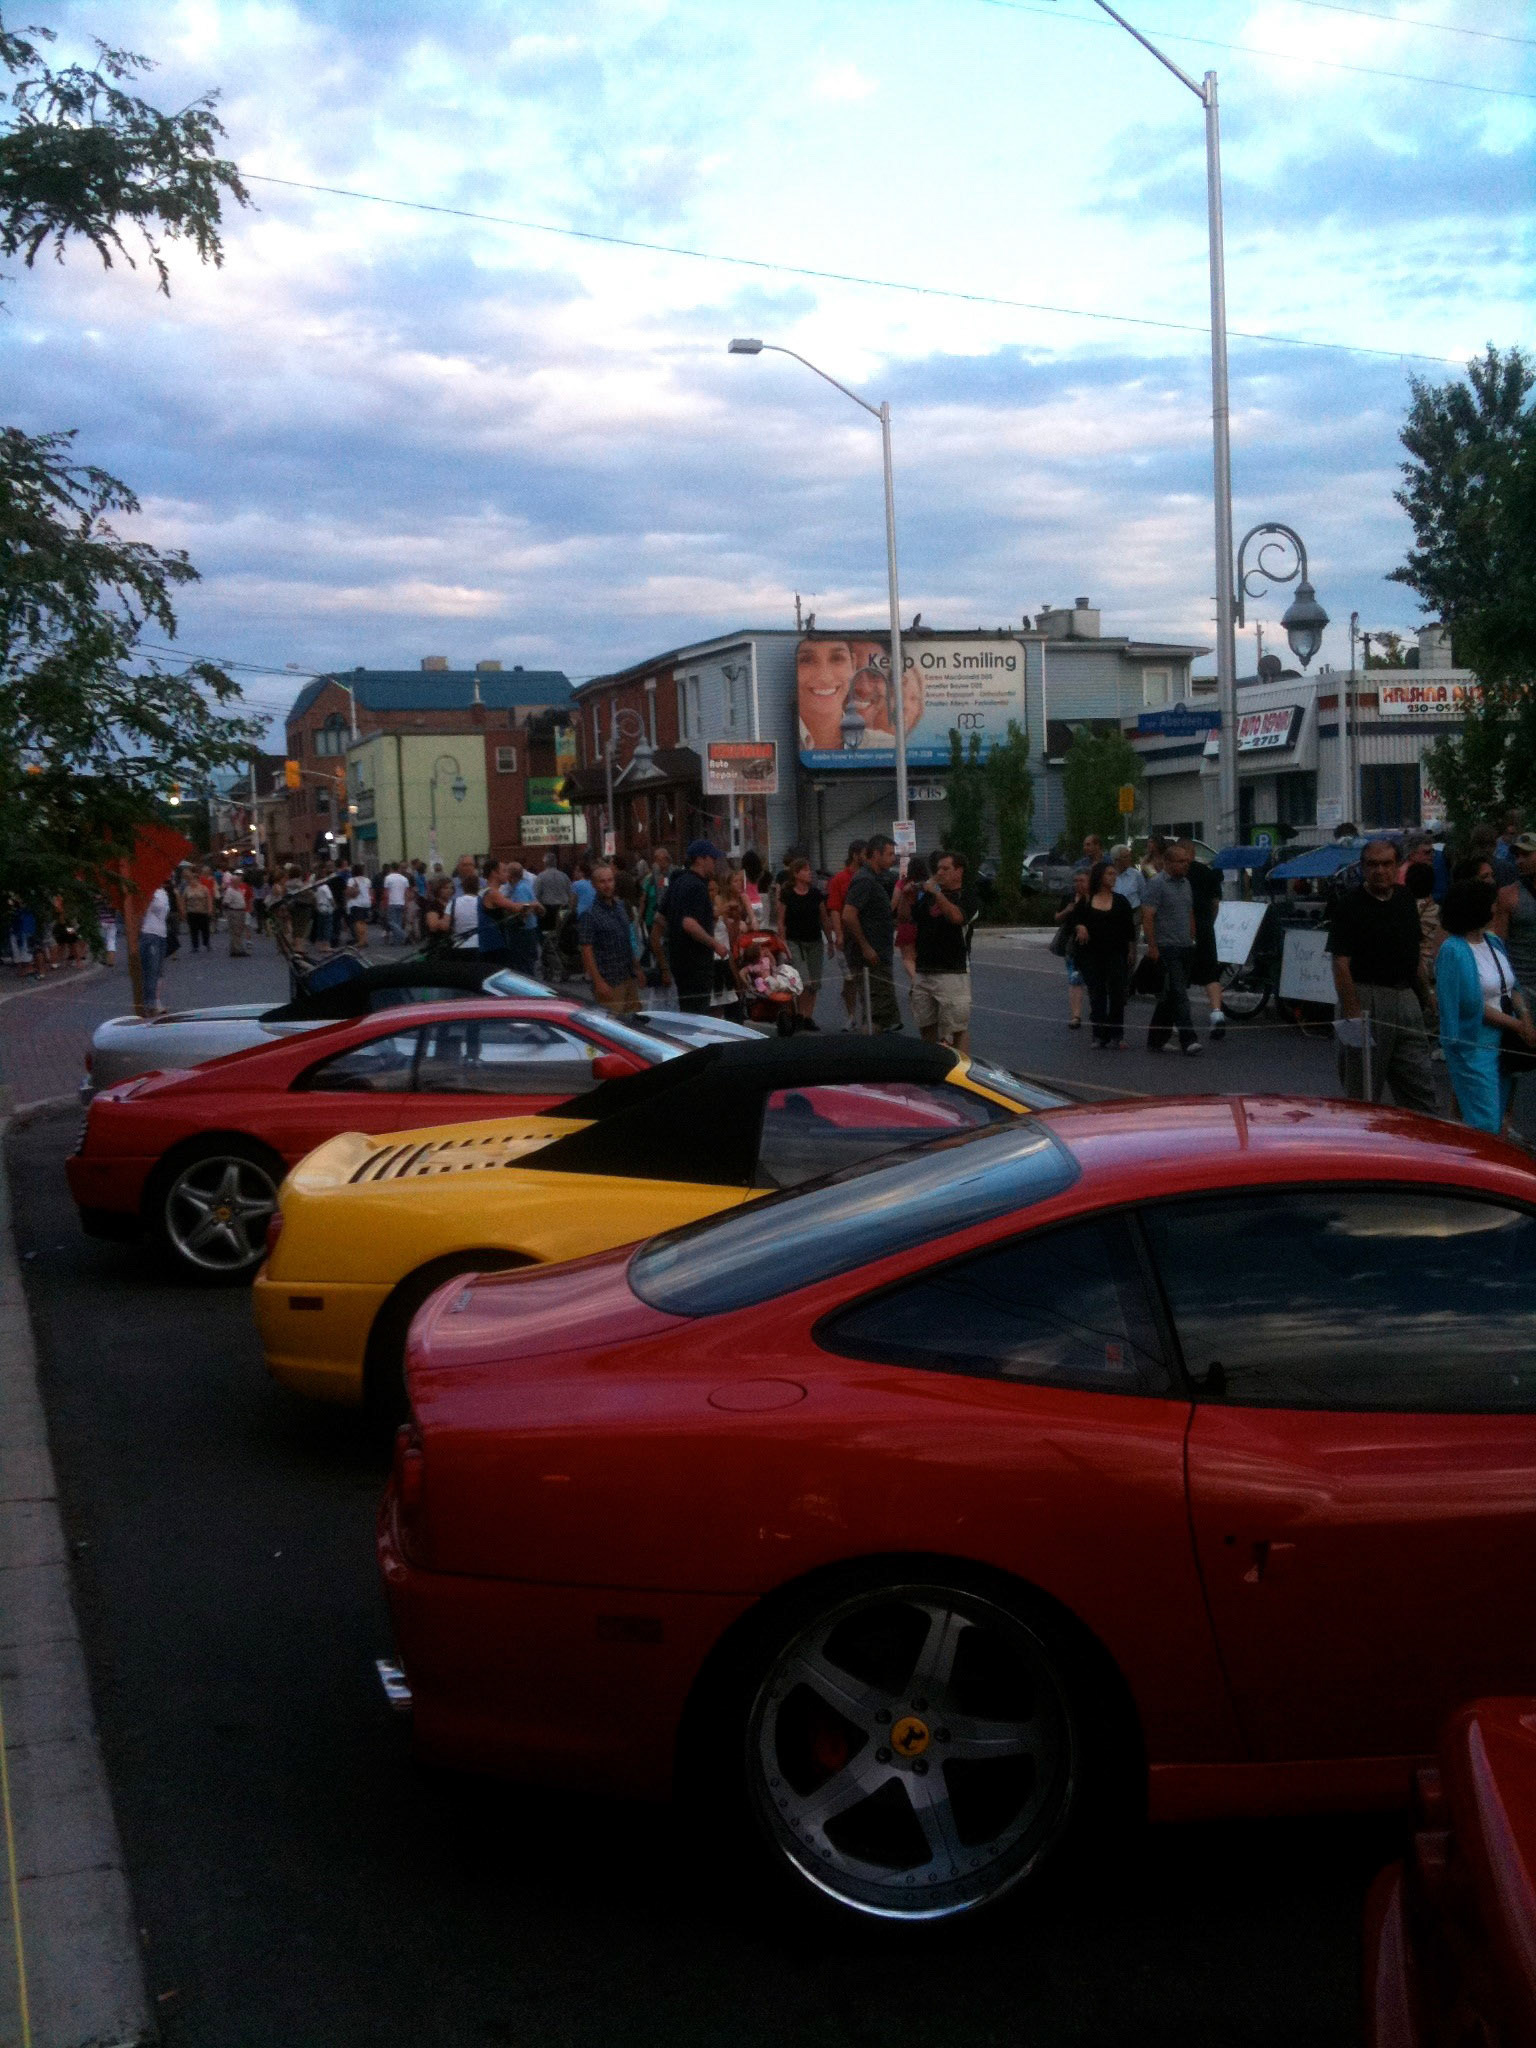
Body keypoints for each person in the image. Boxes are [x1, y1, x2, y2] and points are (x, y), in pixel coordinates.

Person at [1326, 837, 1438, 1114]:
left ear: (1397, 865)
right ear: (1363, 868)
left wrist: (1427, 996)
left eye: (1387, 864)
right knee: (1364, 1092)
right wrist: (1353, 1018)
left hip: (1406, 998)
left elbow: (1414, 955)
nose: (1380, 870)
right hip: (1366, 999)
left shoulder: (1404, 899)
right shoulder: (1349, 905)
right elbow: (1340, 964)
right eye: (1372, 864)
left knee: (1420, 1088)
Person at [1435, 877, 1534, 1136]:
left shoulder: (1493, 942)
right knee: (1485, 1122)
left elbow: (1512, 985)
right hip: (1474, 1043)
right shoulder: (1453, 950)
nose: (1495, 908)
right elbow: (1469, 1006)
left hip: (1503, 1041)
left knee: (1499, 1116)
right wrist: (1519, 1025)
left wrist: (1524, 1016)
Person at [910, 850, 974, 1052]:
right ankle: (931, 1065)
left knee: (956, 1029)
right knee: (926, 1025)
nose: (940, 873)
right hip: (924, 969)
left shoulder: (967, 896)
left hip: (952, 971)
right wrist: (906, 896)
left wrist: (936, 892)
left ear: (959, 871)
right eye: (938, 869)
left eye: (946, 869)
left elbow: (956, 918)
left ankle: (961, 1074)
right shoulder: (928, 898)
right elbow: (905, 918)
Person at [1141, 840, 1200, 1054]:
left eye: (1187, 861)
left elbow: (1189, 911)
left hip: (1185, 945)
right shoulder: (1156, 884)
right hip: (1167, 947)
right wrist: (1153, 946)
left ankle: (1155, 1039)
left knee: (1171, 995)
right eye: (1181, 861)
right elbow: (1148, 915)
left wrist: (1192, 937)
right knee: (1179, 994)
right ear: (1167, 862)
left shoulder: (1186, 884)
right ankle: (1189, 1039)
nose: (1186, 865)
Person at [1074, 859, 1137, 1049]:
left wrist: (1131, 950)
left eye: (1114, 874)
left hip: (1115, 953)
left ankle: (1117, 1032)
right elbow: (1075, 920)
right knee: (1097, 993)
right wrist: (1081, 926)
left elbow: (1129, 929)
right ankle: (1099, 1034)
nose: (1113, 877)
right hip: (1091, 954)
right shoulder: (1087, 900)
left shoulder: (1120, 901)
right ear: (1100, 877)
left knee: (1117, 993)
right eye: (1109, 874)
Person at [842, 834, 900, 1033]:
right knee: (876, 1011)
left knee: (881, 1012)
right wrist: (866, 947)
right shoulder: (864, 880)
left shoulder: (875, 878)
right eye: (890, 854)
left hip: (879, 954)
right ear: (876, 854)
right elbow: (849, 915)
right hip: (870, 959)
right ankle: (868, 1051)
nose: (894, 858)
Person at [665, 840, 730, 1014]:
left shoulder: (677, 883)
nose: (715, 863)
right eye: (712, 859)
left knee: (686, 1010)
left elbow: (660, 918)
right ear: (700, 859)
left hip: (679, 960)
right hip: (696, 962)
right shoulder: (697, 886)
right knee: (697, 1014)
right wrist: (715, 944)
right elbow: (689, 923)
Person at [579, 862, 639, 1014]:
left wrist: (637, 968)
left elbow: (627, 939)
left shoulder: (620, 907)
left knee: (634, 1025)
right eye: (602, 881)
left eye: (610, 880)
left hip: (628, 976)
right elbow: (586, 950)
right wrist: (598, 982)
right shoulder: (590, 914)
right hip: (609, 981)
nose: (607, 885)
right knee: (613, 1027)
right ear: (593, 885)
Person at [777, 856, 830, 1026]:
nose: (810, 873)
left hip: (814, 940)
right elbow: (781, 920)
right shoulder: (788, 894)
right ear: (796, 873)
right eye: (806, 870)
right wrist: (783, 942)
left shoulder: (815, 894)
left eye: (809, 870)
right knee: (803, 979)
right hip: (795, 941)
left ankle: (807, 1016)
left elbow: (824, 918)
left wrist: (831, 940)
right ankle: (799, 1013)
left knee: (814, 982)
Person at [1185, 843, 1227, 1042]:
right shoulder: (1208, 873)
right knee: (1211, 973)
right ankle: (1217, 1013)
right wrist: (1209, 922)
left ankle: (1179, 1021)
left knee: (1181, 976)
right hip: (1205, 928)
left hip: (1183, 930)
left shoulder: (1178, 875)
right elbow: (1215, 904)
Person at [825, 841, 866, 1026]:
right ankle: (851, 1015)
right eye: (865, 854)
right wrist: (839, 935)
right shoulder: (839, 879)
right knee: (849, 977)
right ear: (856, 855)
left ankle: (868, 1015)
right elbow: (834, 908)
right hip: (847, 934)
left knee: (864, 977)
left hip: (865, 933)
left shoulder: (869, 877)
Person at [1053, 870, 1091, 1030]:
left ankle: (1097, 1011)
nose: (1078, 884)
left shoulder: (1095, 899)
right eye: (1075, 881)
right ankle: (1076, 1015)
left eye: (1082, 880)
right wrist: (1067, 910)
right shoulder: (1069, 898)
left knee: (1094, 979)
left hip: (1093, 945)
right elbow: (1057, 918)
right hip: (1072, 945)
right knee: (1075, 979)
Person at [533, 852, 574, 981]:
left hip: (547, 911)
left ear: (545, 863)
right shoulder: (564, 876)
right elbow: (570, 894)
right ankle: (562, 965)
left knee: (546, 940)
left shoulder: (541, 877)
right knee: (559, 939)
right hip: (563, 911)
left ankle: (550, 966)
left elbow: (536, 895)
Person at [138, 880, 171, 1013]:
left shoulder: (163, 893)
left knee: (159, 970)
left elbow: (165, 913)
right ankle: (149, 1003)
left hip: (161, 933)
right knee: (151, 970)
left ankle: (156, 1001)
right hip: (149, 932)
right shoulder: (147, 892)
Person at [476, 859, 516, 959]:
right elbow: (515, 907)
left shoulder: (485, 891)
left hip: (488, 944)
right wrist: (534, 904)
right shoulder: (493, 893)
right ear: (494, 873)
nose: (507, 874)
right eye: (504, 871)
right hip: (494, 945)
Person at [894, 857, 926, 982]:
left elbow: (894, 902)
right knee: (919, 958)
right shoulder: (927, 884)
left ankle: (917, 982)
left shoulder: (903, 884)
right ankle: (920, 981)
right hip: (923, 924)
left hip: (907, 924)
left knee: (908, 958)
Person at [181, 868, 213, 953]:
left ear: (198, 880)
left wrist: (210, 909)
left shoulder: (204, 888)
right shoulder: (187, 889)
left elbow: (209, 899)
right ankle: (195, 946)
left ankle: (206, 943)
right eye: (191, 880)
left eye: (194, 880)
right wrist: (183, 910)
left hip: (202, 912)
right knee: (193, 930)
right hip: (191, 912)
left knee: (205, 929)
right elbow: (183, 900)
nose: (192, 882)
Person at [422, 876, 457, 953]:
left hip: (452, 943)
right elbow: (433, 926)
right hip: (438, 944)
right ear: (438, 890)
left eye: (451, 888)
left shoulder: (453, 904)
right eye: (445, 888)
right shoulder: (433, 905)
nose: (449, 890)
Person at [222, 871, 250, 956]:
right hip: (235, 912)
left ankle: (234, 949)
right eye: (238, 882)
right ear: (234, 882)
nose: (239, 883)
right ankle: (238, 950)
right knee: (236, 932)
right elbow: (225, 902)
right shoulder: (230, 891)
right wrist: (229, 913)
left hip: (241, 911)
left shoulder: (238, 889)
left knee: (238, 931)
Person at [1110, 844, 1143, 915]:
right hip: (1114, 913)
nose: (1130, 859)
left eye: (1129, 856)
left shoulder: (1136, 875)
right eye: (1125, 857)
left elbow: (1143, 895)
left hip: (1133, 913)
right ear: (1116, 860)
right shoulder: (1109, 876)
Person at [382, 863, 410, 945]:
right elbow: (406, 893)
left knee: (391, 922)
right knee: (398, 922)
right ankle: (397, 941)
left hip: (392, 902)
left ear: (391, 868)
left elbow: (386, 892)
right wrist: (406, 903)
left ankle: (404, 936)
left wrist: (385, 903)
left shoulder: (388, 878)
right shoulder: (404, 879)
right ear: (398, 869)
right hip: (401, 902)